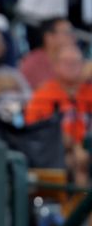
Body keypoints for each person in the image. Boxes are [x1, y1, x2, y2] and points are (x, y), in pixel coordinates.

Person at [25, 44, 92, 187]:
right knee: (75, 162)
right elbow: (39, 133)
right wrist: (75, 145)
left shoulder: (89, 91)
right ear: (55, 66)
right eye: (66, 63)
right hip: (58, 154)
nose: (71, 66)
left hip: (87, 151)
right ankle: (76, 208)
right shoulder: (44, 94)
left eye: (76, 62)